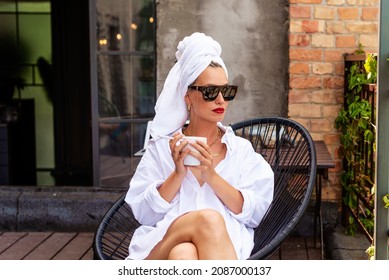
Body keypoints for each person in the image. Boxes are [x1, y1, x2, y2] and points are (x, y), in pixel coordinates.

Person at [125, 32, 274, 260]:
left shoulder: (241, 151)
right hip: (160, 245)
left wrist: (211, 175)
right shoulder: (162, 149)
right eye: (210, 91)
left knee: (184, 253)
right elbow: (144, 214)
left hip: (221, 246)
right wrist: (177, 174)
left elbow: (254, 215)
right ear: (187, 96)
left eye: (227, 91)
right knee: (207, 220)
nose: (221, 99)